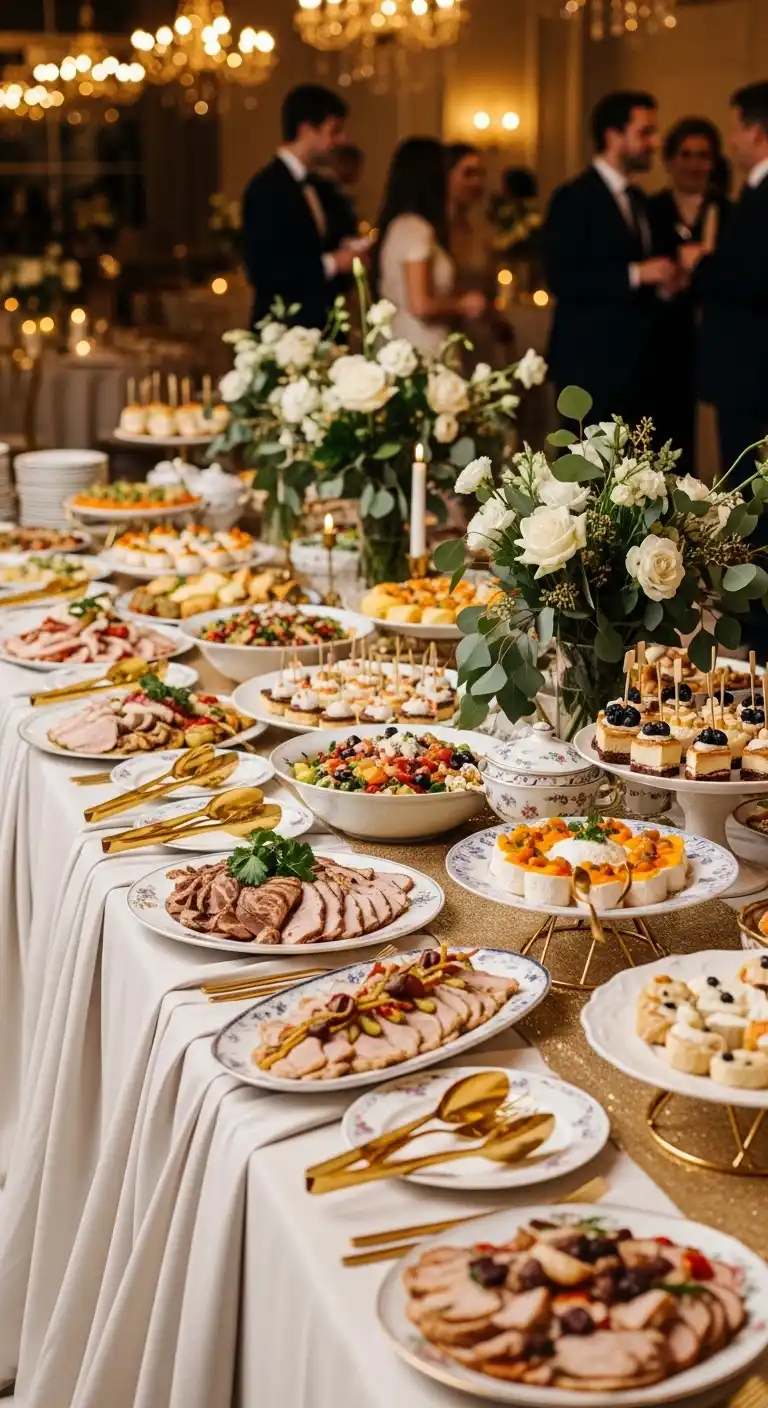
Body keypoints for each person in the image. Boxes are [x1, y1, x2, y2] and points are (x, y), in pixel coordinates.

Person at [543, 90, 676, 426]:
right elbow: (562, 278)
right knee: (584, 468)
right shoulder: (573, 197)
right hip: (589, 361)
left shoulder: (639, 200)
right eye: (645, 132)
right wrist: (636, 274)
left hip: (638, 363)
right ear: (613, 136)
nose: (655, 142)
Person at [681, 82, 768, 470]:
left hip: (751, 364)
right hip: (749, 365)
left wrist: (700, 265)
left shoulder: (763, 191)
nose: (731, 141)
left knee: (748, 484)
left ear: (755, 130)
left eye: (736, 129)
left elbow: (752, 276)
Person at [647, 118, 730, 468]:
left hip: (715, 335)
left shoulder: (727, 211)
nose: (695, 164)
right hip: (661, 338)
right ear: (669, 160)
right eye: (686, 154)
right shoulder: (651, 210)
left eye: (704, 155)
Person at [241, 84, 358, 330]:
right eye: (334, 131)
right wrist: (332, 263)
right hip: (283, 331)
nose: (341, 140)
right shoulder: (265, 188)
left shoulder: (322, 187)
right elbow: (263, 270)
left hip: (326, 328)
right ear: (306, 130)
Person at [373, 137, 486, 356]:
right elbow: (420, 304)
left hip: (402, 344)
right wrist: (465, 304)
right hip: (422, 347)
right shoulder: (417, 229)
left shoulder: (401, 224)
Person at [446, 143, 513, 367]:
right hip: (446, 334)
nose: (477, 182)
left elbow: (489, 288)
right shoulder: (432, 231)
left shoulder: (481, 229)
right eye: (468, 173)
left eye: (481, 174)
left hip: (480, 334)